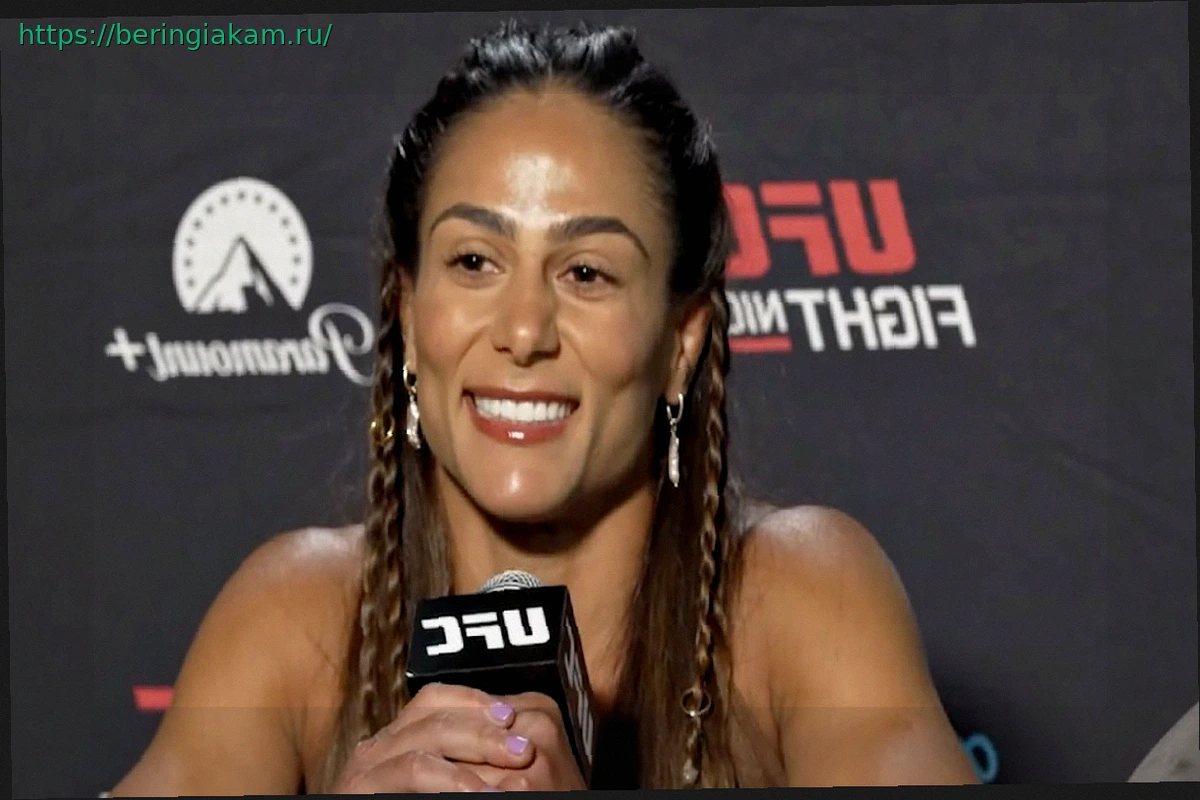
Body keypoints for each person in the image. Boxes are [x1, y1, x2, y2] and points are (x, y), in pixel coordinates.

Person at [110, 20, 979, 794]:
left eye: (587, 272)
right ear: (408, 312)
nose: (523, 330)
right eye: (474, 263)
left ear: (680, 341)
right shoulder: (295, 619)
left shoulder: (803, 598)